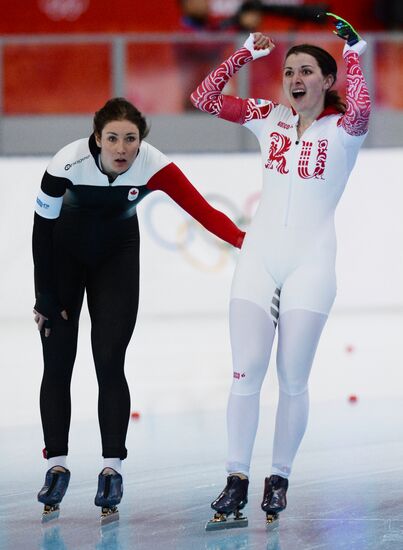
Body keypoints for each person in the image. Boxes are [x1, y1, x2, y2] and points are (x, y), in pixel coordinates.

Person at [191, 16, 371, 529]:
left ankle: (278, 479)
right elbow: (204, 98)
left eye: (307, 71)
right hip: (258, 259)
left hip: (311, 263)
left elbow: (362, 105)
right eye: (289, 70)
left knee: (292, 378)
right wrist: (245, 52)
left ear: (327, 81)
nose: (295, 78)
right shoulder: (266, 116)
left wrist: (353, 50)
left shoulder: (347, 130)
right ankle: (235, 480)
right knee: (245, 372)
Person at [33, 97, 245, 523]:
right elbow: (42, 232)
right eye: (112, 138)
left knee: (110, 362)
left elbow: (203, 213)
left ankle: (113, 468)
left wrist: (248, 243)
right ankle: (56, 464)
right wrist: (46, 298)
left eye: (131, 139)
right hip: (63, 260)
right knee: (58, 364)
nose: (122, 148)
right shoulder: (66, 163)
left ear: (141, 142)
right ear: (97, 139)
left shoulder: (154, 164)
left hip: (118, 258)